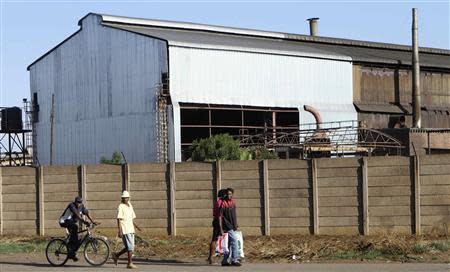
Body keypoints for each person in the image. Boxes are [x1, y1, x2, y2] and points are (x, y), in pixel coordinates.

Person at [59, 196, 96, 261]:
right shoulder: (71, 205)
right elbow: (77, 215)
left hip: (71, 222)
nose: (79, 204)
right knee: (75, 228)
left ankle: (72, 253)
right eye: (78, 202)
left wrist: (92, 221)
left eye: (80, 202)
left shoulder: (81, 206)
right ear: (75, 202)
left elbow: (86, 213)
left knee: (75, 234)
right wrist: (85, 222)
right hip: (64, 221)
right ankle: (71, 249)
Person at [112, 190, 142, 269]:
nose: (125, 199)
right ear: (122, 198)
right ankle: (130, 263)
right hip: (125, 229)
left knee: (129, 247)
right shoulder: (120, 206)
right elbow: (118, 219)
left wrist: (136, 226)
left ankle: (116, 255)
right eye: (124, 198)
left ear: (129, 198)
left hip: (131, 228)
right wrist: (119, 230)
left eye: (127, 198)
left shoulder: (130, 205)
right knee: (130, 247)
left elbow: (131, 218)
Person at [220, 188, 241, 267]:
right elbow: (221, 216)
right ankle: (234, 260)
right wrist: (221, 227)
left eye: (230, 194)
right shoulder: (223, 203)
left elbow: (234, 215)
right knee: (235, 240)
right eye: (228, 194)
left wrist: (236, 224)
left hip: (232, 225)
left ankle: (225, 261)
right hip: (227, 225)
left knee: (229, 243)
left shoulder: (233, 202)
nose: (229, 195)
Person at [207, 188, 227, 264]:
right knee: (214, 239)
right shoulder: (220, 203)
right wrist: (221, 227)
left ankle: (210, 257)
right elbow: (219, 216)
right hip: (218, 222)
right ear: (223, 195)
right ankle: (211, 257)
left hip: (219, 222)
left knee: (215, 240)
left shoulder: (220, 202)